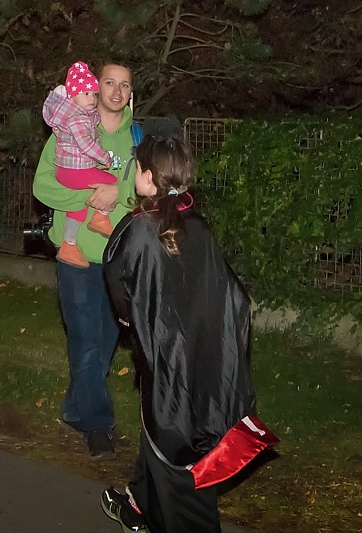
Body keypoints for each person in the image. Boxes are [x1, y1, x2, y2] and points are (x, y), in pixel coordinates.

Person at [100, 134, 256, 532]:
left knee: (177, 449)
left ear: (149, 177)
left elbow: (118, 280)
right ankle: (141, 507)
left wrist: (132, 319)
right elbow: (233, 295)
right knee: (160, 428)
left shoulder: (139, 229)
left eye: (138, 167)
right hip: (204, 356)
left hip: (170, 362)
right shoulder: (197, 226)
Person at [33, 61, 136, 460]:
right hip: (75, 257)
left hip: (118, 258)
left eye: (124, 85)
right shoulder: (68, 126)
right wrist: (90, 197)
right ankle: (98, 425)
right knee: (86, 341)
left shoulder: (138, 140)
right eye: (109, 82)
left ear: (130, 94)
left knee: (106, 342)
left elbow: (150, 191)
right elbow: (43, 185)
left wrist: (119, 195)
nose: (116, 91)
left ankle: (75, 409)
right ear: (96, 87)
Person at [42, 61, 120, 268]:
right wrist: (104, 158)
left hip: (68, 171)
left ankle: (69, 245)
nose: (92, 99)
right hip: (75, 171)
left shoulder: (73, 117)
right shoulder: (77, 118)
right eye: (86, 94)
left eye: (94, 94)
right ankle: (101, 217)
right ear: (73, 95)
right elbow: (86, 144)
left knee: (78, 206)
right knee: (111, 180)